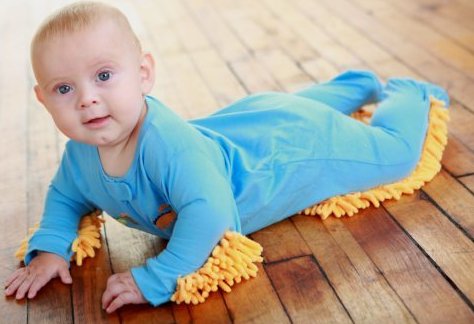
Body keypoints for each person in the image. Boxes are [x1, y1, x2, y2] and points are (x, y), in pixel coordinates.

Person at [4, 1, 449, 313]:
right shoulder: (80, 154)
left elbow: (211, 213)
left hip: (290, 153)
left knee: (395, 155)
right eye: (65, 88)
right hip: (253, 124)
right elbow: (65, 197)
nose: (88, 99)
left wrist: (159, 275)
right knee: (284, 107)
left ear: (143, 75)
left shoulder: (166, 145)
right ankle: (356, 83)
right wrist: (50, 248)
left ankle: (406, 94)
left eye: (103, 75)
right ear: (43, 100)